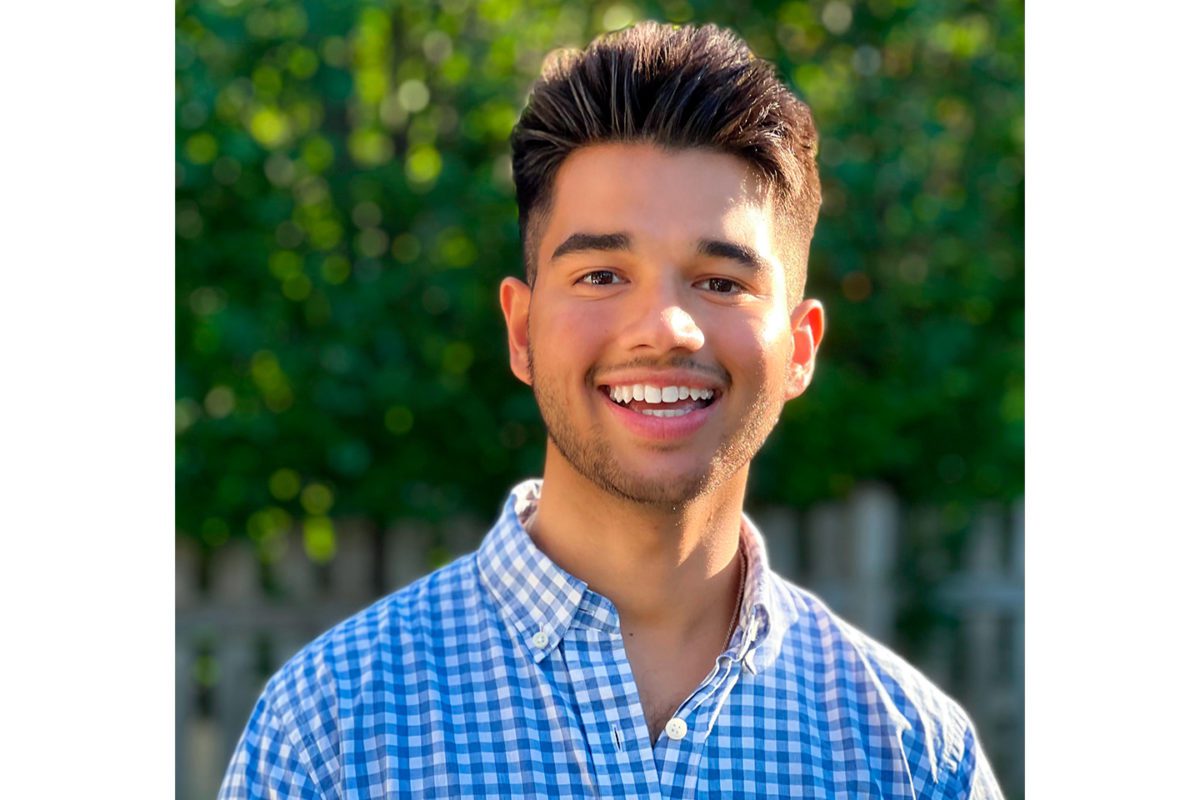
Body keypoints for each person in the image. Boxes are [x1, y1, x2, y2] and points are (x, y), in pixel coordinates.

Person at [219, 21, 1002, 799]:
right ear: (521, 331)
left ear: (800, 349)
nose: (664, 328)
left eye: (722, 281)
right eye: (601, 275)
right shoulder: (329, 735)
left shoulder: (915, 759)